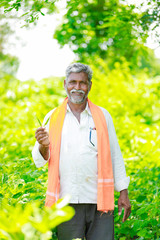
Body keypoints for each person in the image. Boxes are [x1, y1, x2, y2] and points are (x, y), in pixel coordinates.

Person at [32, 62, 131, 240]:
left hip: (99, 202)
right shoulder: (52, 117)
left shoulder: (102, 116)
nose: (77, 87)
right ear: (65, 84)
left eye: (82, 83)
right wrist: (43, 145)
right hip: (66, 202)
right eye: (73, 82)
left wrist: (123, 191)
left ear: (90, 86)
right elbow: (39, 161)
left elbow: (114, 154)